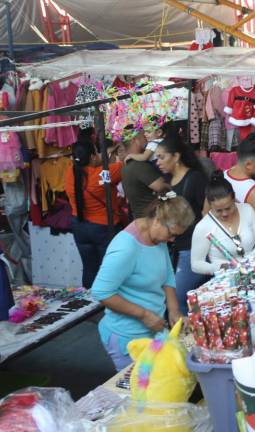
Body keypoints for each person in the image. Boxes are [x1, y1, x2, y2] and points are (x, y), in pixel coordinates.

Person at [91, 194, 195, 371]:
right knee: (142, 392)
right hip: (127, 336)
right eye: (171, 234)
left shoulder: (155, 237)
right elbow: (101, 292)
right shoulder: (126, 248)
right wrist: (144, 315)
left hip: (153, 331)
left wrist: (174, 310)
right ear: (157, 220)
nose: (172, 240)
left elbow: (167, 274)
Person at [154, 135, 209, 315]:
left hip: (193, 247)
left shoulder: (194, 179)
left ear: (176, 157)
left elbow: (208, 214)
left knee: (178, 297)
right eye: (157, 158)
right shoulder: (167, 181)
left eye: (162, 157)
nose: (158, 162)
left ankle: (186, 335)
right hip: (175, 247)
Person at [65, 135, 124, 289]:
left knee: (89, 268)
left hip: (79, 226)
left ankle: (89, 304)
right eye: (97, 152)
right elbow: (125, 166)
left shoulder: (69, 173)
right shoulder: (103, 173)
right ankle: (110, 305)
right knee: (110, 270)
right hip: (103, 227)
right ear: (92, 157)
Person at [191, 174, 255, 276]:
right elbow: (196, 264)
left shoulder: (247, 209)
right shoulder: (203, 227)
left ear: (234, 199)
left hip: (254, 270)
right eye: (218, 211)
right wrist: (220, 267)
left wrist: (249, 260)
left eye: (228, 208)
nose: (224, 214)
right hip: (227, 278)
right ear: (210, 205)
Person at [121, 130, 169, 218]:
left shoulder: (128, 163)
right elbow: (163, 186)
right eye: (143, 135)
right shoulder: (138, 165)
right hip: (151, 218)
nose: (146, 138)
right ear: (135, 140)